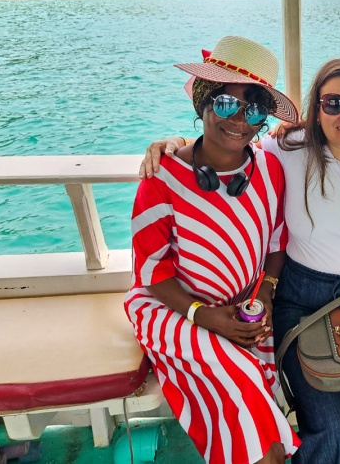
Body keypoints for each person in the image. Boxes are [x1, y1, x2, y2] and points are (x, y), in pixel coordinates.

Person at [141, 58, 340, 464]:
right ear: (316, 111)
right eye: (332, 103)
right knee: (329, 433)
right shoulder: (287, 150)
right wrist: (170, 145)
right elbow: (228, 143)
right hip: (304, 306)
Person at [125, 35, 301, 464]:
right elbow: (152, 273)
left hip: (244, 306)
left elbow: (277, 244)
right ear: (203, 102)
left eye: (255, 108)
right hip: (172, 309)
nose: (240, 119)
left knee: (259, 393)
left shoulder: (270, 168)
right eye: (226, 104)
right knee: (244, 386)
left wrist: (263, 295)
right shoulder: (162, 177)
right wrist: (203, 316)